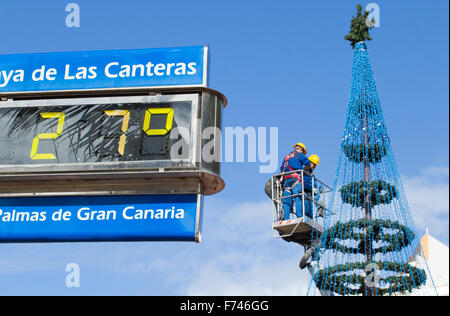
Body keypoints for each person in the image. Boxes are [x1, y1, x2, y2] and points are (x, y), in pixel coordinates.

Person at [280, 143, 313, 220]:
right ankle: (299, 217)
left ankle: (286, 218)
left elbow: (282, 169)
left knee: (286, 200)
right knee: (298, 197)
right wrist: (304, 172)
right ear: (301, 149)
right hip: (295, 179)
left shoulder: (287, 156)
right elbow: (308, 164)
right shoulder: (299, 155)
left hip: (286, 180)